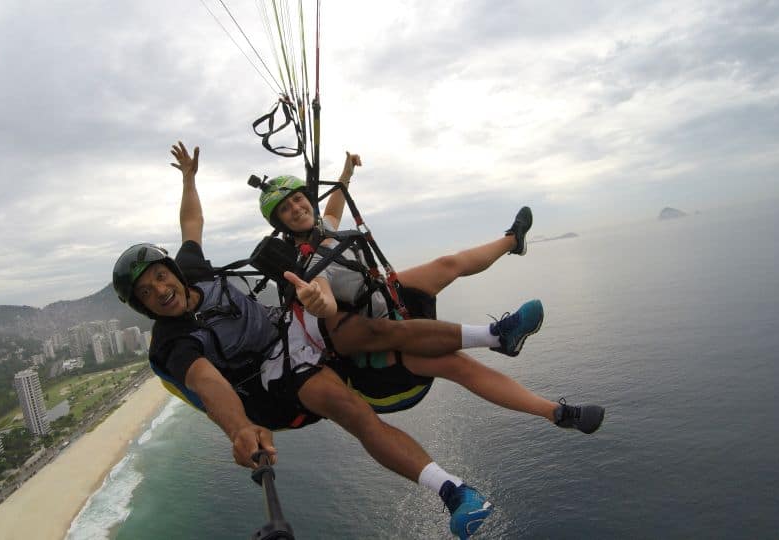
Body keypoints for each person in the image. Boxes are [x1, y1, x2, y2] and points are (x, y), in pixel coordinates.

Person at [113, 141, 553, 538]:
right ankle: (453, 491)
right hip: (273, 373)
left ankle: (498, 323)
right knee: (351, 410)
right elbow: (209, 384)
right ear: (143, 308)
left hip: (290, 325)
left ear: (171, 269)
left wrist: (189, 179)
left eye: (158, 278)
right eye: (146, 294)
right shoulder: (173, 341)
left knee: (385, 327)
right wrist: (240, 430)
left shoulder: (193, 268)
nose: (160, 291)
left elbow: (192, 221)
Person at [254, 155, 604, 434]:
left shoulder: (325, 228)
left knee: (446, 264)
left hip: (381, 297)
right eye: (286, 209)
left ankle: (513, 241)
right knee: (458, 365)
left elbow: (332, 207)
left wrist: (346, 171)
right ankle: (556, 412)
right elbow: (324, 296)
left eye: (299, 200)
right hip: (373, 347)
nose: (297, 209)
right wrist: (317, 301)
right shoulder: (308, 262)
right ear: (280, 223)